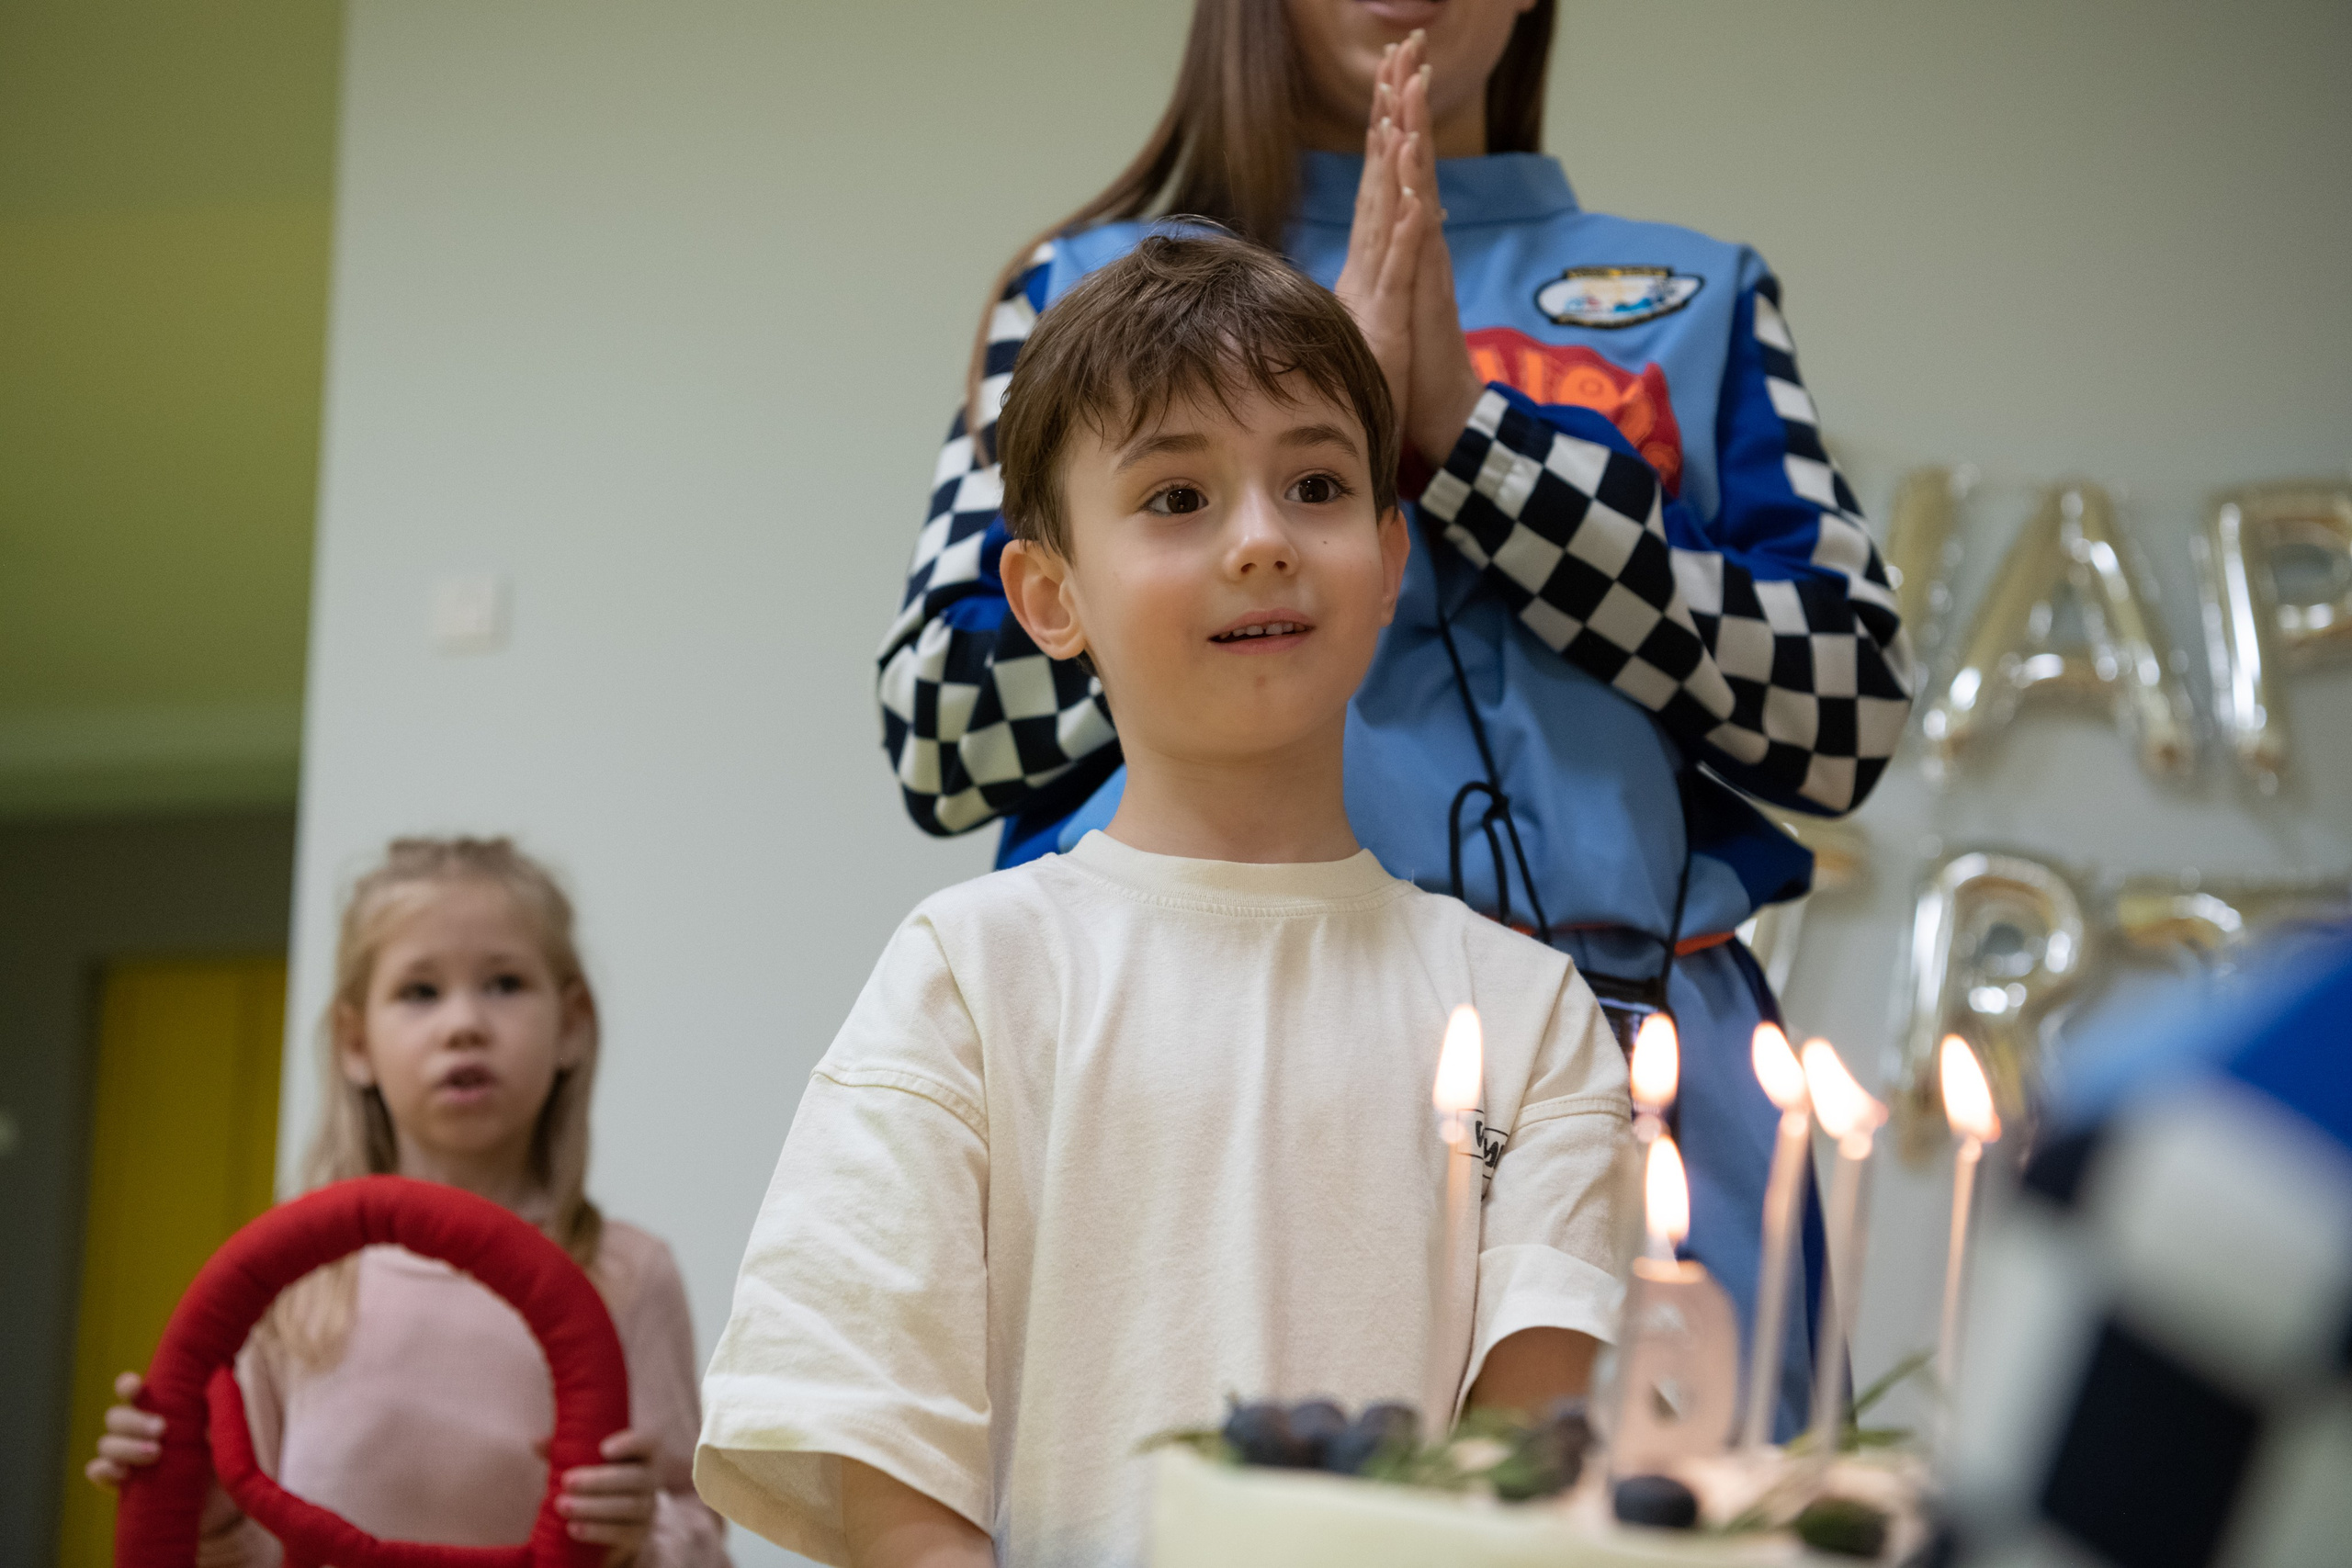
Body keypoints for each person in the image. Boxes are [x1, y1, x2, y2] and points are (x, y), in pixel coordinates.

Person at [876, 1, 1913, 1433]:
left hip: (1641, 1058)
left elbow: (1846, 718)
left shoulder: (1695, 294)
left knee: (1692, 1510)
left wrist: (1477, 447)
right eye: (1180, 489)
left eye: (1319, 487)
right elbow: (939, 731)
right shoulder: (1083, 288)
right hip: (1195, 1057)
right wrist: (1326, 442)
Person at [700, 236, 1631, 1568]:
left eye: (1315, 485)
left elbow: (1518, 1473)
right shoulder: (967, 973)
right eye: (1178, 495)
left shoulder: (1528, 1013)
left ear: (1387, 561)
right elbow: (873, 1437)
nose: (1261, 541)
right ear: (1051, 595)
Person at [86, 837, 729, 1567]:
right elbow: (257, 1548)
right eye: (420, 991)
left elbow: (701, 1540)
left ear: (572, 1025)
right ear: (356, 1043)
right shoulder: (293, 1285)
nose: (464, 1024)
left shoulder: (631, 1272)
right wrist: (209, 1515)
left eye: (505, 982)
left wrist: (640, 1533)